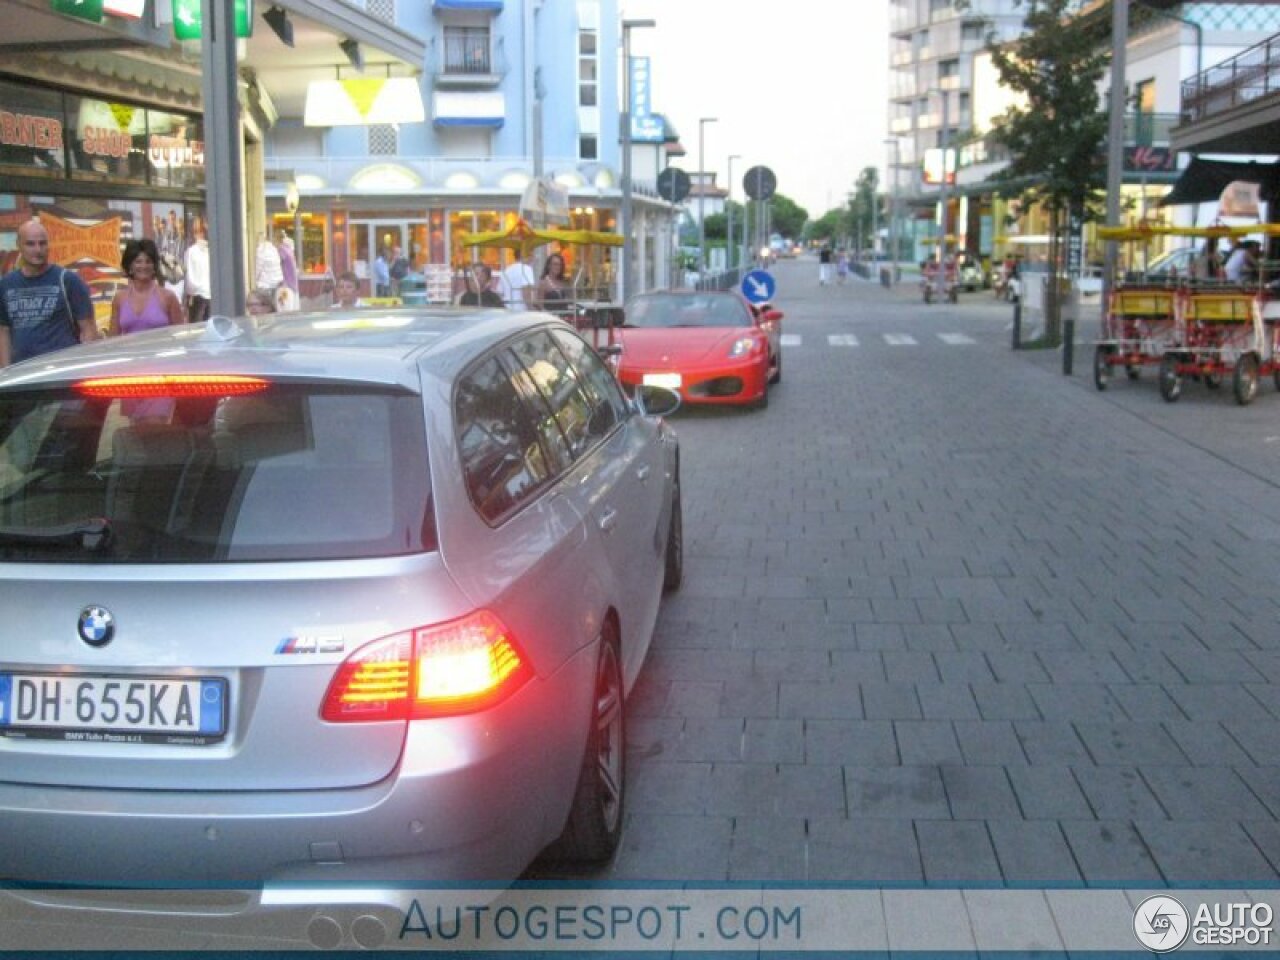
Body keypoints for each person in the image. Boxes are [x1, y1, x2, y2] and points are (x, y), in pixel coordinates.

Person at [0, 219, 99, 367]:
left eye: (43, 243)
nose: (38, 249)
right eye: (30, 244)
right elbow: (4, 331)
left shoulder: (67, 280)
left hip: (60, 372)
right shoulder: (6, 284)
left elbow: (88, 330)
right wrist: (5, 374)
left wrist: (82, 368)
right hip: (21, 373)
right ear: (19, 245)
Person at [109, 238, 185, 337]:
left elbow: (180, 336)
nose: (143, 266)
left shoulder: (168, 297)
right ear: (130, 266)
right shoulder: (119, 298)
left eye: (148, 261)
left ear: (154, 266)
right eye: (138, 262)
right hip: (128, 352)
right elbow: (112, 338)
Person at [184, 220, 211, 324]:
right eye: (199, 231)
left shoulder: (210, 251)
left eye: (203, 231)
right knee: (197, 328)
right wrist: (195, 290)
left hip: (210, 295)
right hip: (198, 296)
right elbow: (189, 276)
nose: (202, 234)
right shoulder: (191, 252)